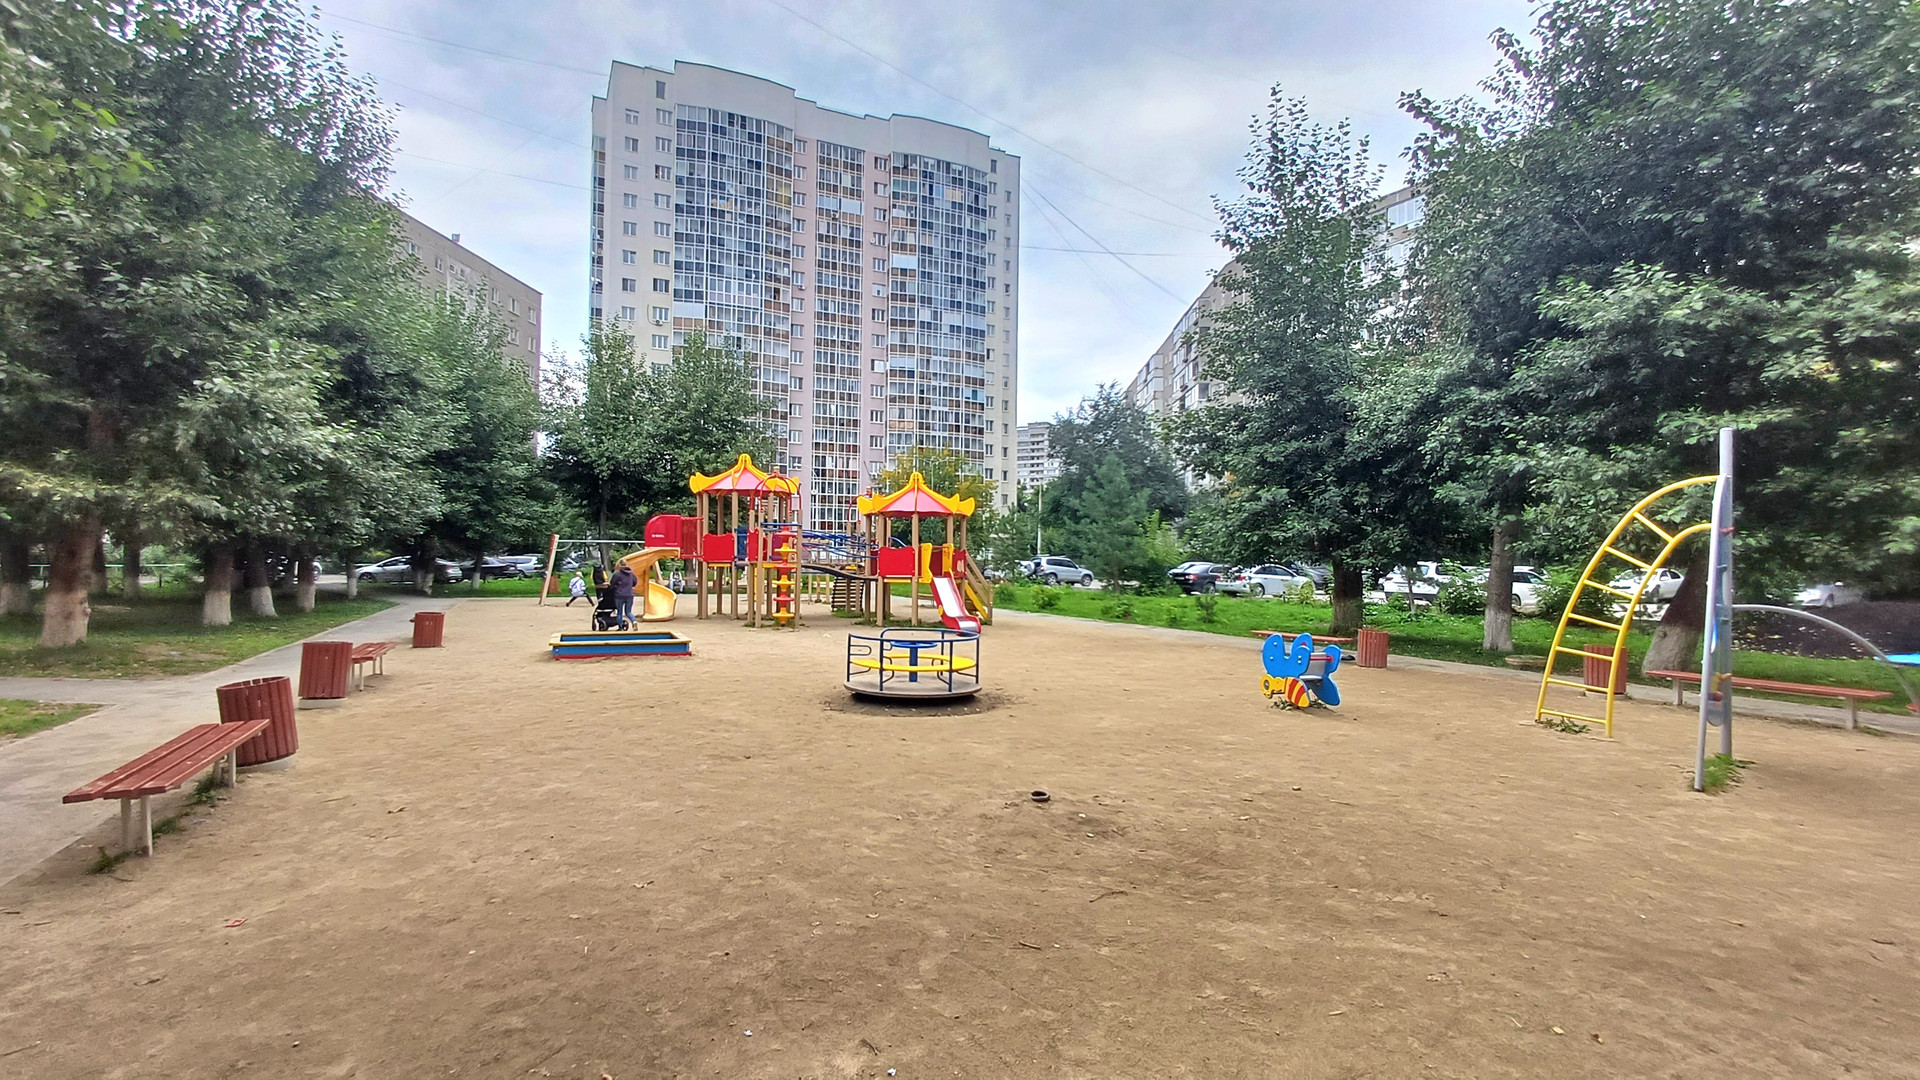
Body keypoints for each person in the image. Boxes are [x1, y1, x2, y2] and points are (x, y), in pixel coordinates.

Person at [609, 563, 638, 629]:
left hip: (619, 595)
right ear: (627, 565)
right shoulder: (631, 574)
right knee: (628, 612)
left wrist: (613, 588)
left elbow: (612, 584)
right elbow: (635, 582)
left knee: (619, 612)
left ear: (619, 565)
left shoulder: (617, 574)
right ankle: (634, 621)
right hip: (629, 595)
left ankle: (620, 627)